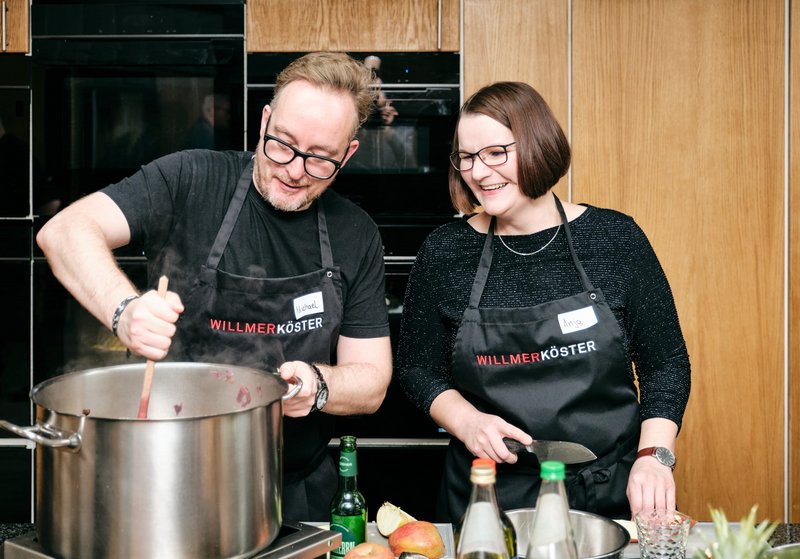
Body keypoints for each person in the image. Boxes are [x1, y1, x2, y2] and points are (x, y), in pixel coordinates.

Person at [36, 52, 393, 521]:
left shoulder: (356, 233)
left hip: (296, 493)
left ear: (347, 153)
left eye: (320, 158)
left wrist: (319, 383)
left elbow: (371, 382)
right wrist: (125, 309)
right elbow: (63, 231)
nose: (293, 169)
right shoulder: (190, 180)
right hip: (166, 483)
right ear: (264, 120)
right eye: (281, 144)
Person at [396, 81, 691, 523]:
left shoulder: (615, 239)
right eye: (467, 157)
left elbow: (665, 364)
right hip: (488, 497)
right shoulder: (445, 251)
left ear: (537, 144)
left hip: (605, 493)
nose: (478, 172)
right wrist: (466, 421)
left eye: (496, 152)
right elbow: (417, 367)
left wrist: (653, 455)